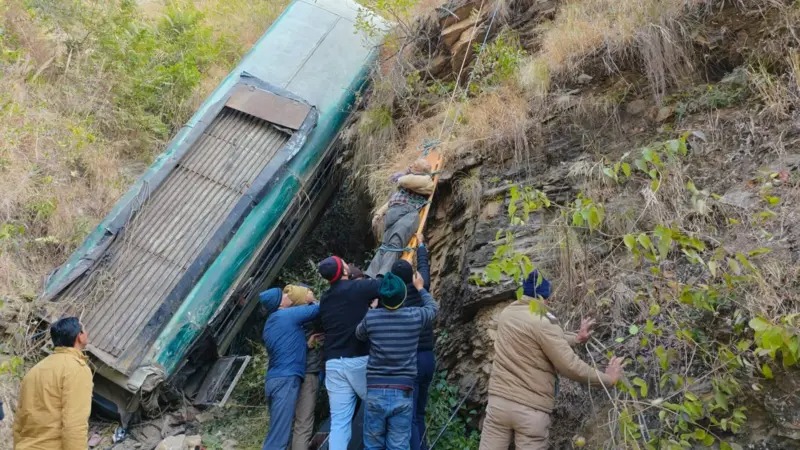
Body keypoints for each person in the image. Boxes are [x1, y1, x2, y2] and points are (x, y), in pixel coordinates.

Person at [479, 270, 625, 450]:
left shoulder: (507, 313)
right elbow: (570, 366)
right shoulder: (543, 322)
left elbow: (534, 337)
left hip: (498, 405)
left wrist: (575, 339)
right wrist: (607, 380)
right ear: (542, 296)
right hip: (530, 411)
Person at [355, 271, 439, 450]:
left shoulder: (371, 317)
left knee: (372, 445)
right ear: (403, 296)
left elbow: (359, 334)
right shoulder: (414, 316)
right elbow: (433, 308)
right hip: (403, 390)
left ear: (382, 298)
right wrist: (420, 288)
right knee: (399, 445)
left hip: (375, 389)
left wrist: (373, 309)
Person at [317, 256, 382, 450]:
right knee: (380, 408)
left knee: (340, 423)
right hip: (359, 360)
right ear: (345, 271)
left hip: (333, 364)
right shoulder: (357, 288)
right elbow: (385, 285)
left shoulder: (325, 299)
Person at [14, 317, 93, 450]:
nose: (87, 333)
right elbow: (74, 424)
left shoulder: (35, 370)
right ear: (79, 336)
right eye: (84, 330)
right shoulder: (77, 369)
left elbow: (19, 422)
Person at [260, 287, 320, 450]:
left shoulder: (270, 324)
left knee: (281, 431)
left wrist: (306, 345)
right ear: (280, 302)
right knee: (278, 438)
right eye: (285, 295)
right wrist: (310, 298)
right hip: (286, 380)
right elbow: (319, 309)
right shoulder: (286, 315)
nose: (288, 296)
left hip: (273, 380)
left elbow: (285, 348)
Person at [390, 234, 434, 450]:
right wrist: (421, 246)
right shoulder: (421, 288)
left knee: (412, 417)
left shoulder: (396, 300)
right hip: (428, 358)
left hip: (411, 362)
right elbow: (424, 268)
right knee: (420, 412)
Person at [366, 159, 435, 278]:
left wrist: (402, 176)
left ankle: (383, 275)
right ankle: (370, 275)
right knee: (384, 245)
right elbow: (391, 201)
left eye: (414, 165)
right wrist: (379, 213)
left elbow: (405, 180)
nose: (410, 165)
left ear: (421, 170)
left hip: (408, 214)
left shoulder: (425, 180)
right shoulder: (409, 181)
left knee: (395, 243)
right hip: (393, 213)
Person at [287, 284, 324, 450]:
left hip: (287, 374)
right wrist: (314, 301)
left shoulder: (283, 316)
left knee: (287, 422)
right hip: (308, 371)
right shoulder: (312, 314)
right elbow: (328, 308)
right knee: (303, 423)